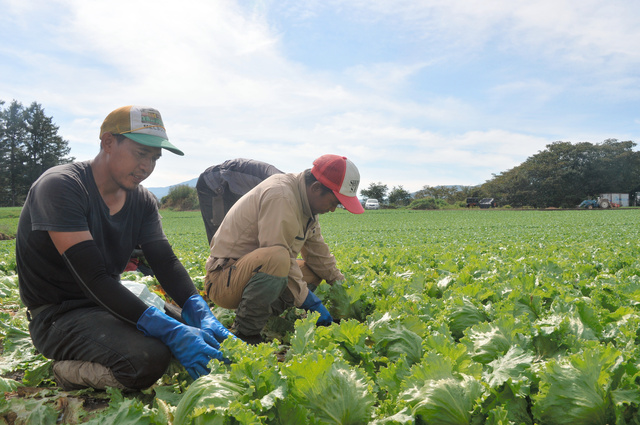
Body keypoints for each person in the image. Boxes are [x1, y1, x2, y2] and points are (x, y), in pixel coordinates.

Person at [16, 105, 234, 391]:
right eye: (140, 153)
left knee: (203, 336)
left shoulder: (141, 200)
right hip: (59, 316)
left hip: (109, 303)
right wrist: (167, 329)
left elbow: (164, 262)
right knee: (148, 360)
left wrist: (198, 308)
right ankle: (68, 370)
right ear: (108, 142)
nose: (147, 166)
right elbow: (94, 278)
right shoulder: (61, 187)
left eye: (154, 158)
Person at [204, 154, 364, 344]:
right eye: (333, 202)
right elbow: (279, 258)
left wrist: (344, 289)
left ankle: (263, 316)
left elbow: (319, 255)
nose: (332, 209)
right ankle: (246, 333)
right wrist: (312, 303)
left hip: (247, 274)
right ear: (316, 188)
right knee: (278, 257)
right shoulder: (281, 195)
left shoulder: (308, 207)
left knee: (313, 270)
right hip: (223, 280)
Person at [196, 159, 283, 244]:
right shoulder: (281, 190)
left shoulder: (287, 187)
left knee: (244, 237)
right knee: (221, 238)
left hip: (235, 187)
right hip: (214, 184)